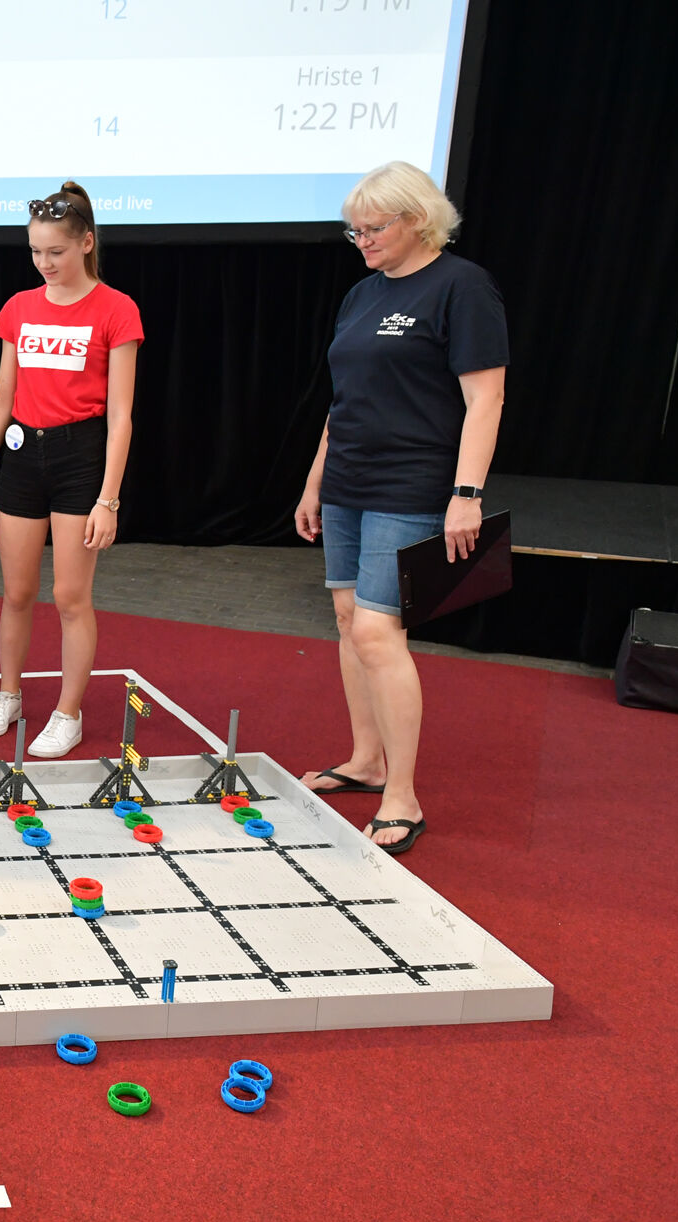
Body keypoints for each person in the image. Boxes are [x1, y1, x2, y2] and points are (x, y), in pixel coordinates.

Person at [294, 160, 507, 854]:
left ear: (417, 220)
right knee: (348, 620)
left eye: (373, 228)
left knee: (379, 632)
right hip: (348, 481)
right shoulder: (361, 294)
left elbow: (485, 398)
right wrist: (314, 483)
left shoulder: (462, 287)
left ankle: (403, 798)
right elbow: (343, 400)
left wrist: (466, 494)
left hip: (412, 484)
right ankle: (367, 761)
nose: (362, 241)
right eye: (354, 231)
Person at [0, 182, 141, 758]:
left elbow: (121, 416)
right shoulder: (19, 307)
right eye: (36, 252)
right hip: (21, 455)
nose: (45, 263)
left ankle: (68, 712)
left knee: (69, 595)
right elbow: (1, 400)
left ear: (86, 243)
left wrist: (108, 498)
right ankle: (9, 694)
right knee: (16, 592)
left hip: (80, 458)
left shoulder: (116, 309)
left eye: (56, 252)